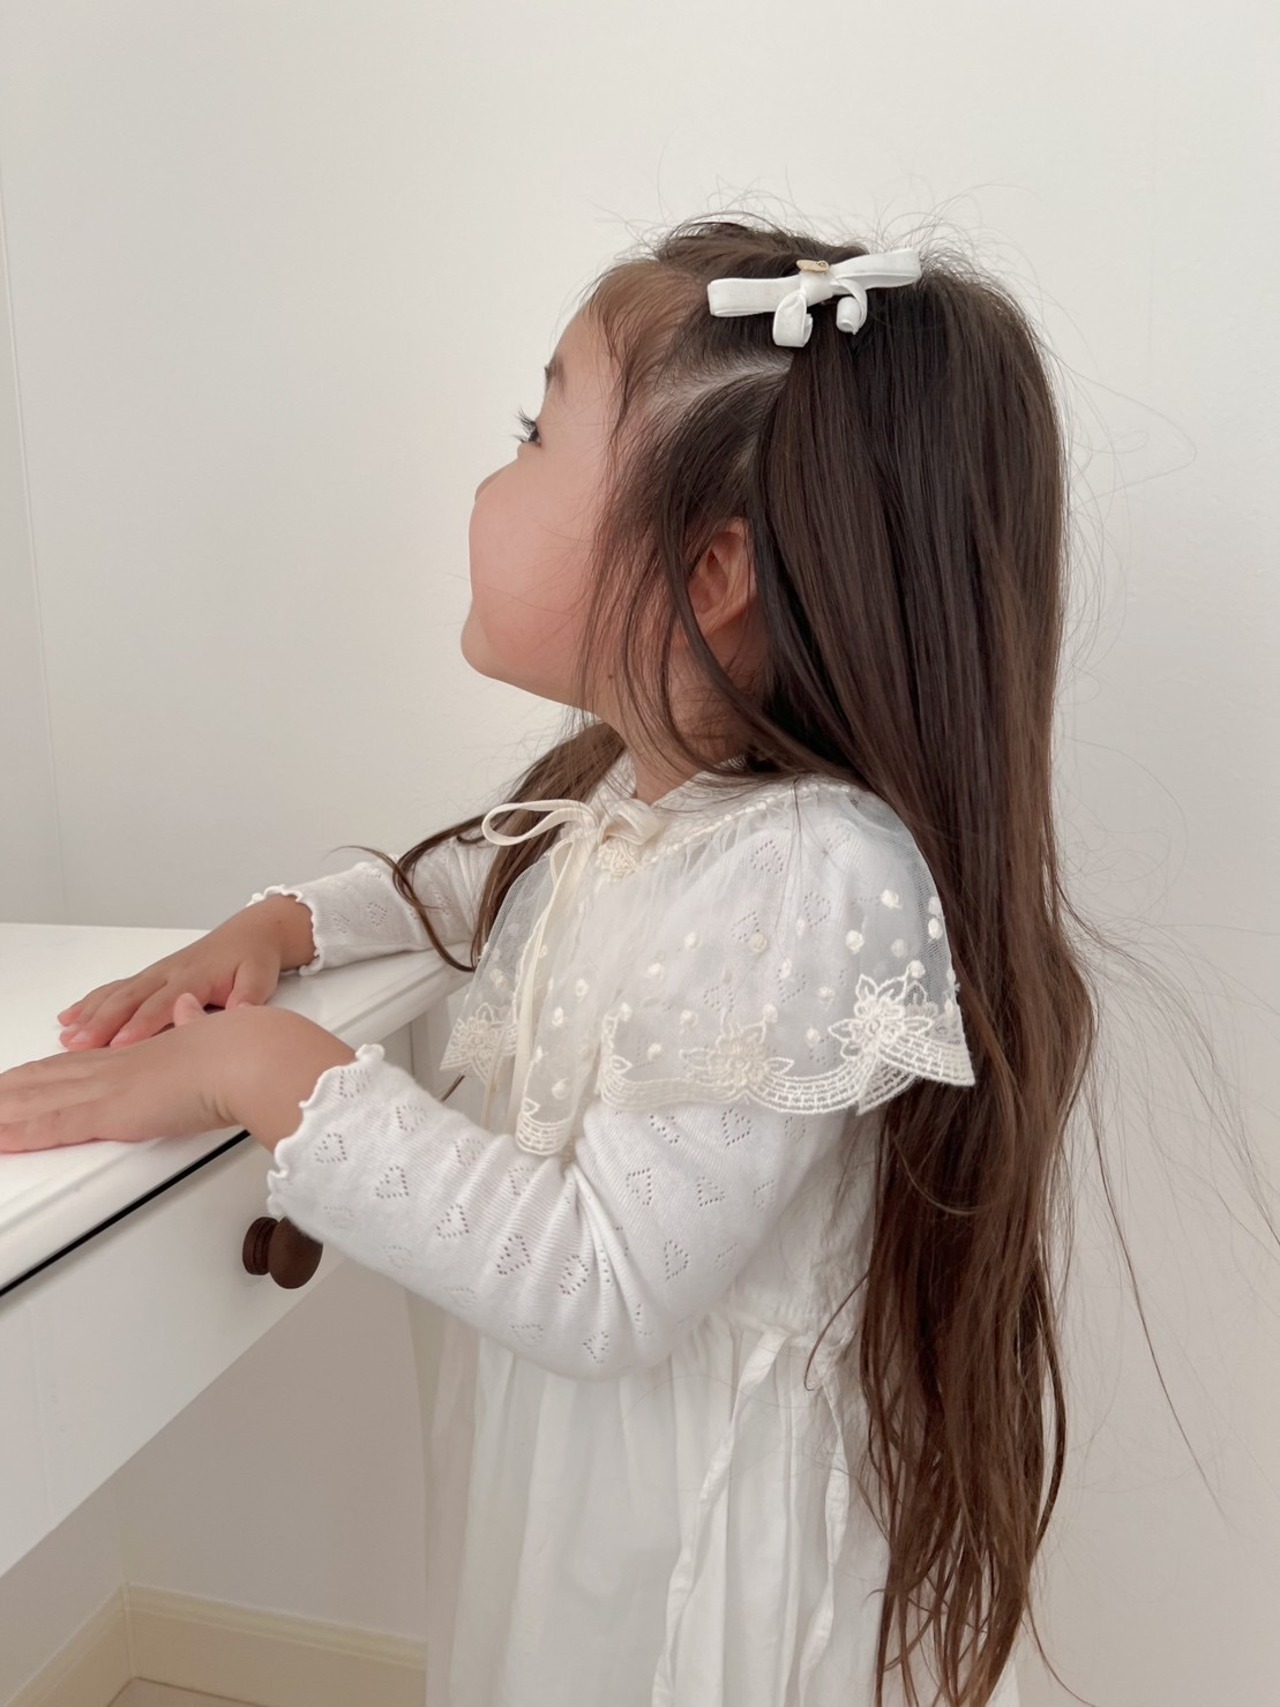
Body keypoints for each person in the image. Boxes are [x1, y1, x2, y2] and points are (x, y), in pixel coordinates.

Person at [58, 215, 1084, 1706]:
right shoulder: (634, 796)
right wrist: (285, 926)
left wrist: (266, 1071)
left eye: (535, 433)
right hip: (586, 1497)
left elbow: (601, 1284)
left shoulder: (813, 875)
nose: (493, 480)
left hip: (696, 1566)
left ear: (710, 569)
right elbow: (470, 879)